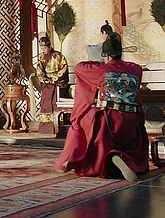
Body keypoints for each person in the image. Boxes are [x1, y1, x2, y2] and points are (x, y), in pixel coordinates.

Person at [55, 32, 149, 181]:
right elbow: (130, 67)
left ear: (106, 55)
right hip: (132, 123)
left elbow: (79, 68)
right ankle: (121, 158)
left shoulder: (102, 70)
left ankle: (79, 159)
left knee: (83, 119)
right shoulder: (135, 70)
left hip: (110, 122)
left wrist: (100, 63)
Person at [32, 35, 68, 134]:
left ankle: (57, 126)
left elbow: (64, 69)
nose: (43, 50)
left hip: (57, 83)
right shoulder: (41, 57)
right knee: (45, 102)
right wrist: (44, 79)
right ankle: (46, 128)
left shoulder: (58, 56)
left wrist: (55, 78)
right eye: (42, 48)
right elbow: (39, 71)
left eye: (45, 48)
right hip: (47, 83)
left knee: (54, 100)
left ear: (49, 46)